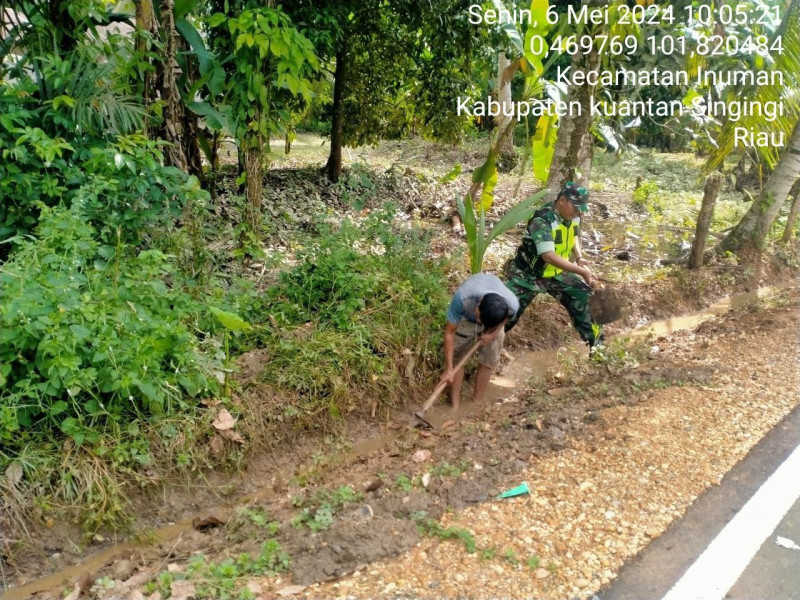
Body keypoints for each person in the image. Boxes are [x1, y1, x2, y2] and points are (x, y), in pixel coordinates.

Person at [505, 182, 604, 348]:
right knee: (504, 313)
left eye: (581, 208)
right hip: (528, 275)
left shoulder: (572, 216)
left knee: (587, 298)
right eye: (576, 207)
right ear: (562, 200)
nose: (579, 212)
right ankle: (480, 347)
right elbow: (549, 256)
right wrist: (581, 272)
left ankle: (599, 348)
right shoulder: (542, 220)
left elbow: (572, 236)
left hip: (556, 273)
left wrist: (579, 257)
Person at [439, 273, 519, 408]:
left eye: (482, 322)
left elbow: (507, 317)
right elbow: (449, 333)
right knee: (458, 358)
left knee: (489, 360)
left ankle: (476, 402)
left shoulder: (512, 304)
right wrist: (449, 369)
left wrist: (492, 334)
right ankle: (455, 404)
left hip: (494, 323)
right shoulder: (463, 298)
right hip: (466, 319)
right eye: (479, 318)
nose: (479, 322)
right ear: (480, 301)